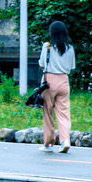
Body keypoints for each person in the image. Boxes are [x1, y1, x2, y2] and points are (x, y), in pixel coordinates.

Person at [39, 19, 76, 152]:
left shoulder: (47, 46)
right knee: (64, 112)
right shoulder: (70, 48)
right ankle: (65, 140)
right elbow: (71, 67)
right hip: (64, 81)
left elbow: (42, 64)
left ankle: (48, 143)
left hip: (49, 80)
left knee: (47, 112)